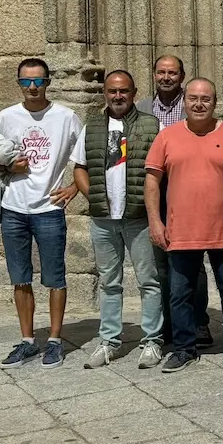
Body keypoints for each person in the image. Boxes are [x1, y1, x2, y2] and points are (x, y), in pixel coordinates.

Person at [145, 78, 223, 374]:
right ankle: (184, 348)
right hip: (181, 231)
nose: (199, 104)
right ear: (185, 102)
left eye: (205, 99)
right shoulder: (167, 137)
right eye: (193, 98)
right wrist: (155, 220)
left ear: (214, 103)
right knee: (180, 294)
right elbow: (152, 181)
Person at [0, 58, 82, 369]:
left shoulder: (65, 117)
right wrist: (6, 166)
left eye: (38, 81)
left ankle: (54, 340)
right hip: (14, 207)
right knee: (20, 278)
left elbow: (85, 158)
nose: (32, 87)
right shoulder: (7, 116)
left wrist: (73, 189)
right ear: (19, 83)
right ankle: (28, 340)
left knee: (55, 278)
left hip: (48, 209)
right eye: (26, 81)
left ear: (47, 82)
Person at [71, 70, 163, 369]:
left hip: (138, 216)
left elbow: (161, 170)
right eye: (112, 91)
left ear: (134, 93)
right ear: (105, 94)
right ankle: (109, 340)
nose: (118, 96)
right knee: (110, 282)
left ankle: (152, 340)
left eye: (123, 91)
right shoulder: (92, 126)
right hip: (103, 219)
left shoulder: (152, 125)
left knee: (149, 281)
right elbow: (80, 168)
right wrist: (94, 197)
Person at [136, 55, 213, 348]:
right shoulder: (142, 107)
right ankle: (170, 322)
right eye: (161, 72)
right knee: (162, 263)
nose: (166, 77)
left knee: (194, 261)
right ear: (154, 75)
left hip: (188, 191)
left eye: (172, 73)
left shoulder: (193, 104)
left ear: (182, 76)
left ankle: (200, 321)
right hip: (155, 188)